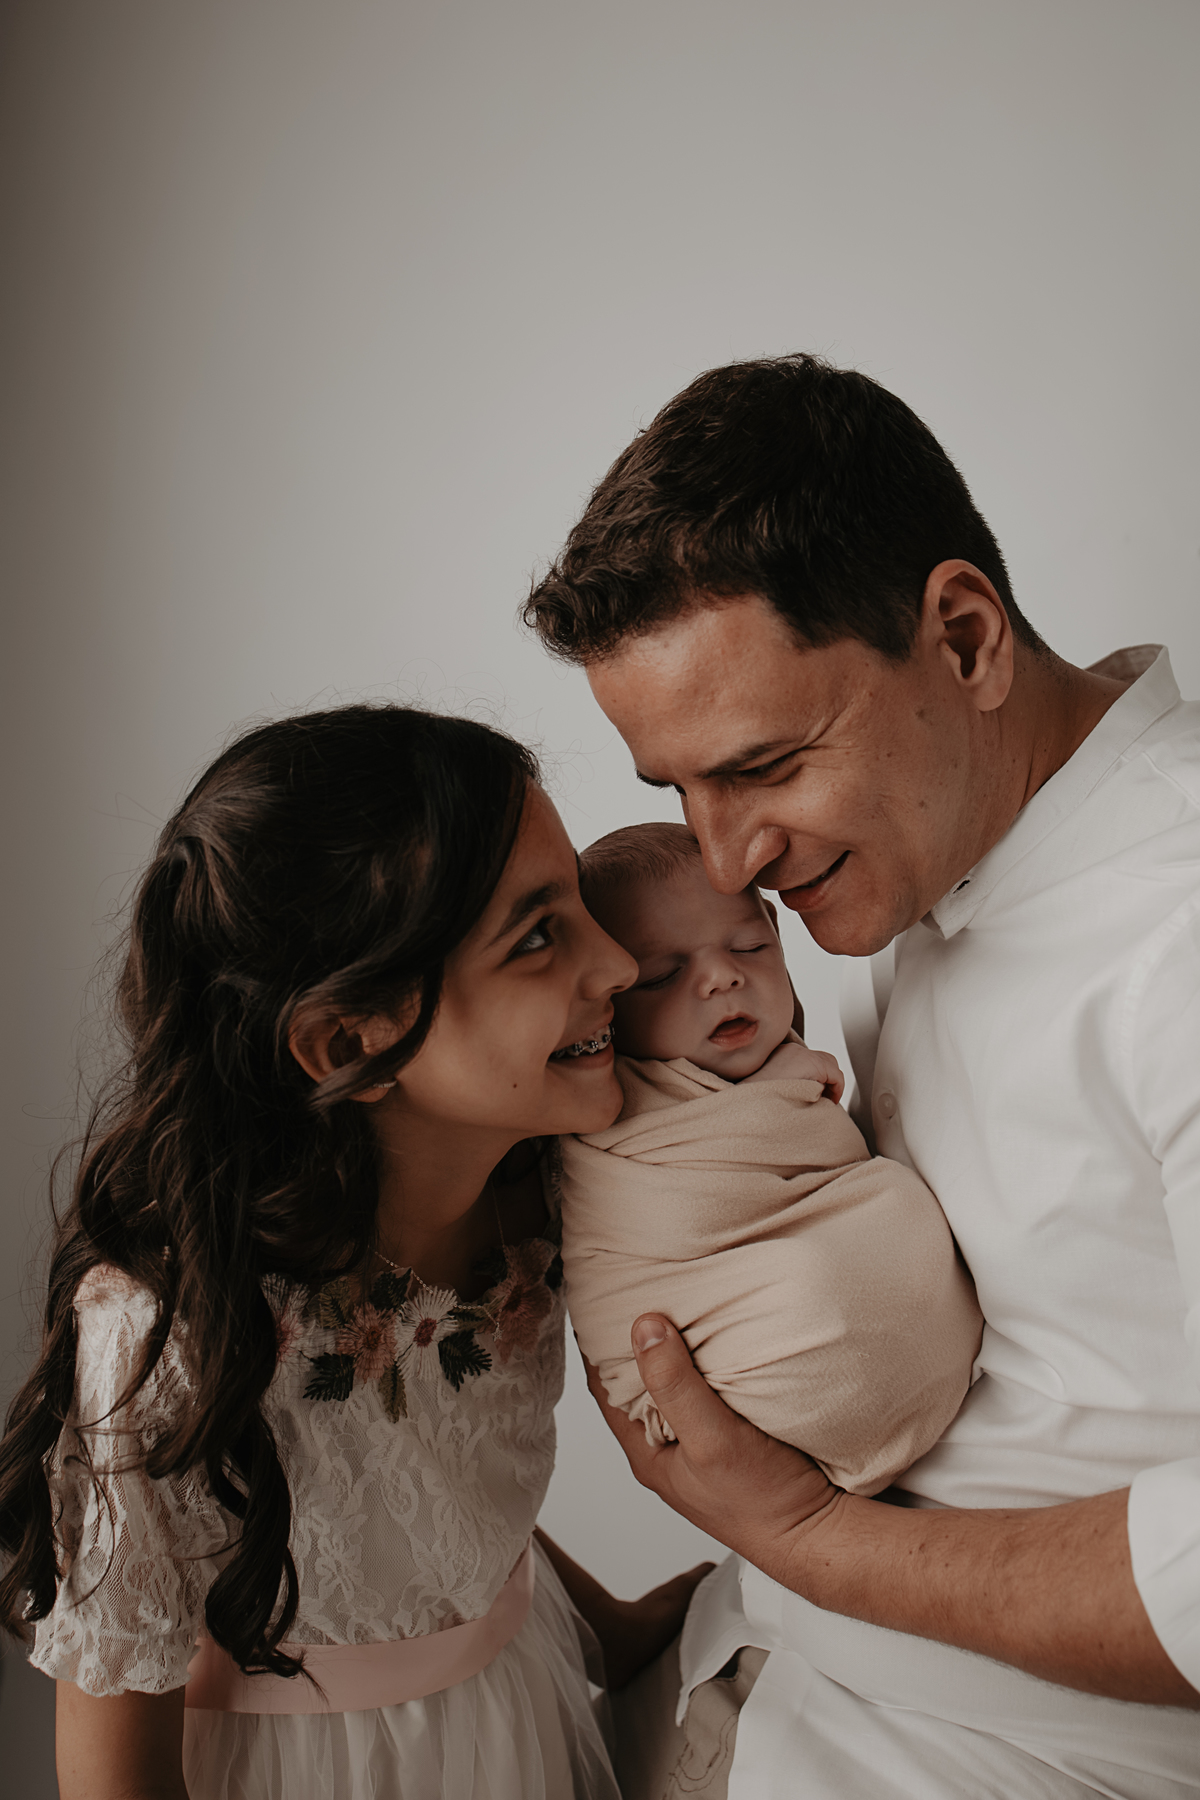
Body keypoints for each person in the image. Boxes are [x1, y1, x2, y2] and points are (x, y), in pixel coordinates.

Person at [524, 354, 1200, 1796]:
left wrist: (806, 1541)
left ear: (964, 638)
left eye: (763, 764)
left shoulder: (1178, 932)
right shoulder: (935, 854)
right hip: (735, 1674)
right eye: (680, 791)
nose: (726, 863)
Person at [0, 704, 711, 1800]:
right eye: (537, 936)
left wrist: (608, 1631)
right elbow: (112, 1780)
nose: (617, 960)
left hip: (516, 1714)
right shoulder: (170, 1334)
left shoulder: (547, 1190)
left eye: (579, 900)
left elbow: (428, 1505)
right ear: (349, 1042)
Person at [557, 820, 980, 1492]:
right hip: (741, 1381)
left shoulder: (793, 1050)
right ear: (604, 1007)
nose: (722, 977)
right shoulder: (606, 1107)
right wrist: (778, 1098)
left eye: (750, 947)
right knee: (820, 1281)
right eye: (663, 975)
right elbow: (679, 1210)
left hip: (940, 1427)